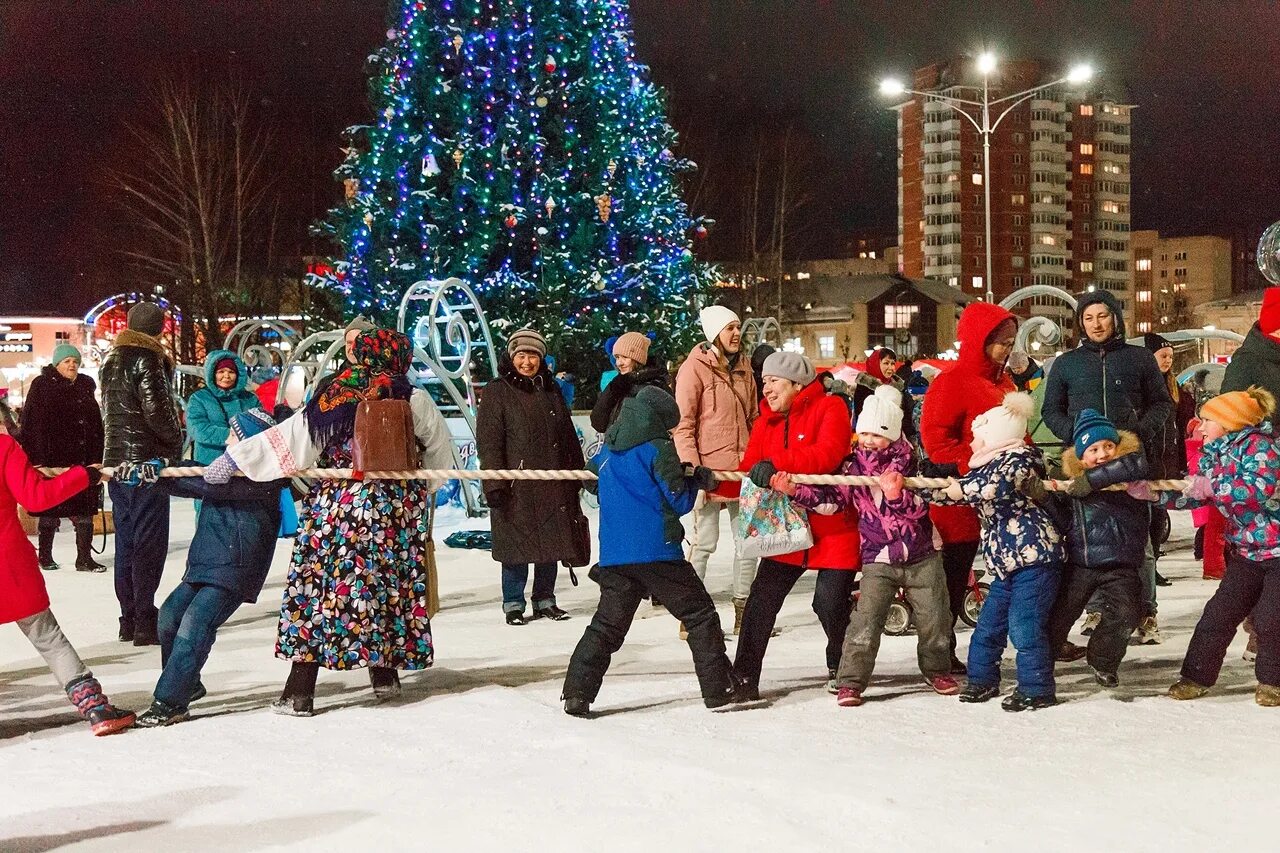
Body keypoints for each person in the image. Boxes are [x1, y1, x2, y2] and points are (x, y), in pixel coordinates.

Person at [213, 328, 453, 716]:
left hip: (337, 510)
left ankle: (300, 691)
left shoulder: (336, 395)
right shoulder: (413, 396)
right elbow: (440, 453)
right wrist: (419, 490)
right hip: (392, 513)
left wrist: (238, 458)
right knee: (384, 588)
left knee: (321, 594)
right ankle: (385, 676)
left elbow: (294, 440)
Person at [562, 387, 751, 716]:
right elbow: (678, 501)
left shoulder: (608, 450)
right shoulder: (658, 448)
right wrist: (696, 481)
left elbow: (591, 480)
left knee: (607, 626)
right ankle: (718, 689)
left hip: (616, 556)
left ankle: (576, 693)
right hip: (657, 553)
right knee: (700, 616)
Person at [774, 384, 956, 707]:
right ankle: (851, 681)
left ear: (894, 433)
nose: (870, 441)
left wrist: (896, 495)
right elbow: (830, 500)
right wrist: (795, 490)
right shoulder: (853, 468)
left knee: (936, 617)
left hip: (922, 554)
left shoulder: (911, 466)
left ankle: (937, 667)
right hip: (877, 557)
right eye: (865, 433)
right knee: (866, 619)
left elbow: (922, 508)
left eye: (878, 434)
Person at [134, 411, 285, 727]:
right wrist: (151, 473)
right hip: (206, 560)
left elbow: (210, 486)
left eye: (234, 436)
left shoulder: (264, 478)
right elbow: (193, 479)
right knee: (169, 617)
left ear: (249, 444)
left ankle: (170, 701)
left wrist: (166, 475)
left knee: (195, 624)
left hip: (237, 565)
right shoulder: (223, 469)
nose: (228, 440)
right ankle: (186, 682)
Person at [1133, 387, 1280, 706]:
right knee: (1218, 614)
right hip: (1246, 552)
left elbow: (1256, 488)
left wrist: (1211, 485)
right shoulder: (1214, 453)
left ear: (1229, 423)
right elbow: (1198, 493)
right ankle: (1196, 676)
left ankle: (1273, 682)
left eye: (1207, 420)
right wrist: (1154, 495)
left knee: (1271, 617)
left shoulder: (1260, 446)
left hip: (1278, 550)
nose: (1199, 426)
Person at [1040, 290, 1172, 645]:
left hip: (1129, 463)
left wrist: (1136, 434)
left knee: (1139, 541)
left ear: (1115, 317)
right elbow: (1051, 410)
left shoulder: (1140, 359)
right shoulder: (1067, 363)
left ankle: (1146, 612)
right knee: (1087, 536)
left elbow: (1162, 404)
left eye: (1102, 316)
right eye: (1088, 318)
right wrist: (1077, 436)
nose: (1096, 324)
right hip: (1087, 463)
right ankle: (1097, 609)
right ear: (1080, 323)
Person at [0, 399, 134, 736]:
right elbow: (35, 498)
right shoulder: (3, 448)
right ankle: (97, 709)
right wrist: (83, 476)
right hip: (9, 566)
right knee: (49, 639)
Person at [926, 392, 1065, 712]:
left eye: (978, 437)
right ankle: (982, 678)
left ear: (996, 438)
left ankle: (1037, 686)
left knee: (1024, 626)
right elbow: (958, 494)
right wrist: (925, 490)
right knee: (988, 625)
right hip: (1005, 564)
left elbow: (995, 488)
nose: (973, 442)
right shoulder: (985, 468)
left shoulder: (1019, 461)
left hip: (1036, 560)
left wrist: (960, 488)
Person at [732, 352, 860, 697]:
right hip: (785, 529)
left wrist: (773, 462)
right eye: (764, 381)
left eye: (773, 380)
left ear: (796, 383)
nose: (766, 387)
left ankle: (842, 662)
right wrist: (706, 481)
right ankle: (743, 677)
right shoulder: (765, 422)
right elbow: (748, 471)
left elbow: (827, 454)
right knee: (760, 603)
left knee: (829, 602)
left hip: (833, 525)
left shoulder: (830, 408)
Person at [920, 301, 1019, 673]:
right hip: (959, 504)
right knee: (950, 582)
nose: (1008, 349)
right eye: (1001, 342)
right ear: (979, 340)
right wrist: (980, 461)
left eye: (1011, 342)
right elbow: (936, 443)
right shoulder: (951, 382)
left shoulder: (1005, 382)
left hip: (1000, 503)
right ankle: (939, 654)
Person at [1029, 410, 1149, 689]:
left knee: (1127, 614)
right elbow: (1064, 522)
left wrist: (1094, 480)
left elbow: (1138, 462)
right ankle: (1041, 661)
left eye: (1109, 446)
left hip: (1122, 563)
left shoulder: (1129, 471)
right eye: (1093, 449)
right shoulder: (1073, 485)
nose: (1103, 454)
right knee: (1059, 614)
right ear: (1081, 458)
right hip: (1081, 562)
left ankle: (1103, 659)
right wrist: (1045, 497)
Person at [476, 329, 587, 625]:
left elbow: (567, 436)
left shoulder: (551, 390)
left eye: (533, 356)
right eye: (521, 355)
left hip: (551, 482)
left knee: (550, 544)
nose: (527, 362)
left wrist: (576, 474)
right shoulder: (497, 390)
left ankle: (545, 600)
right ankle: (513, 603)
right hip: (516, 487)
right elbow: (489, 441)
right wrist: (495, 484)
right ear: (511, 357)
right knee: (516, 546)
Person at [99, 302, 183, 646]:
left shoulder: (110, 360)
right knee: (148, 545)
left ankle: (128, 617)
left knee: (127, 543)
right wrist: (174, 440)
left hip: (117, 464)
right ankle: (146, 620)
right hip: (147, 464)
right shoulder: (146, 359)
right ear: (158, 329)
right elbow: (157, 411)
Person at [674, 306, 758, 635]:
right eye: (729, 328)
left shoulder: (745, 368)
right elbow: (683, 425)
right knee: (704, 544)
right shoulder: (693, 369)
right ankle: (689, 615)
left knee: (747, 544)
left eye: (738, 327)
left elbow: (754, 418)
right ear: (713, 334)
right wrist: (693, 469)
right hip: (708, 472)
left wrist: (758, 457)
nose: (736, 334)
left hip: (743, 471)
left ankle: (742, 611)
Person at [17, 343, 105, 572]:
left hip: (83, 460)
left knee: (85, 510)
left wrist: (97, 457)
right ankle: (45, 556)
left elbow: (96, 424)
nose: (72, 365)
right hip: (52, 462)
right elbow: (31, 424)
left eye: (75, 361)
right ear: (57, 364)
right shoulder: (42, 385)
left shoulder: (85, 385)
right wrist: (37, 460)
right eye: (67, 361)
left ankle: (84, 558)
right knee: (50, 510)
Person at [1142, 333, 1192, 584]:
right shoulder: (1144, 386)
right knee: (1148, 517)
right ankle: (1147, 570)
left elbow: (1179, 423)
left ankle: (1154, 566)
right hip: (1150, 461)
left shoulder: (1173, 386)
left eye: (1171, 357)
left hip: (1167, 460)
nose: (1168, 361)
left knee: (1160, 517)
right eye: (1163, 356)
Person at [186, 350, 262, 465]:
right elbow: (197, 428)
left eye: (231, 371)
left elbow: (260, 425)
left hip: (245, 463)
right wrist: (231, 436)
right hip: (210, 462)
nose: (226, 376)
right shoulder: (199, 398)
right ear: (212, 373)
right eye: (221, 371)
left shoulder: (250, 399)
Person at [590, 331, 669, 433]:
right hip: (614, 446)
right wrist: (613, 389)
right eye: (617, 357)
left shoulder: (656, 386)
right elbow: (598, 423)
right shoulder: (618, 384)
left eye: (625, 357)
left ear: (638, 359)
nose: (619, 363)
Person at [852, 346, 916, 440]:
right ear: (875, 364)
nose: (891, 368)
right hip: (874, 442)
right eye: (886, 363)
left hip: (899, 443)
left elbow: (906, 418)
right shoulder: (865, 388)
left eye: (893, 363)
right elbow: (863, 419)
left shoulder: (899, 388)